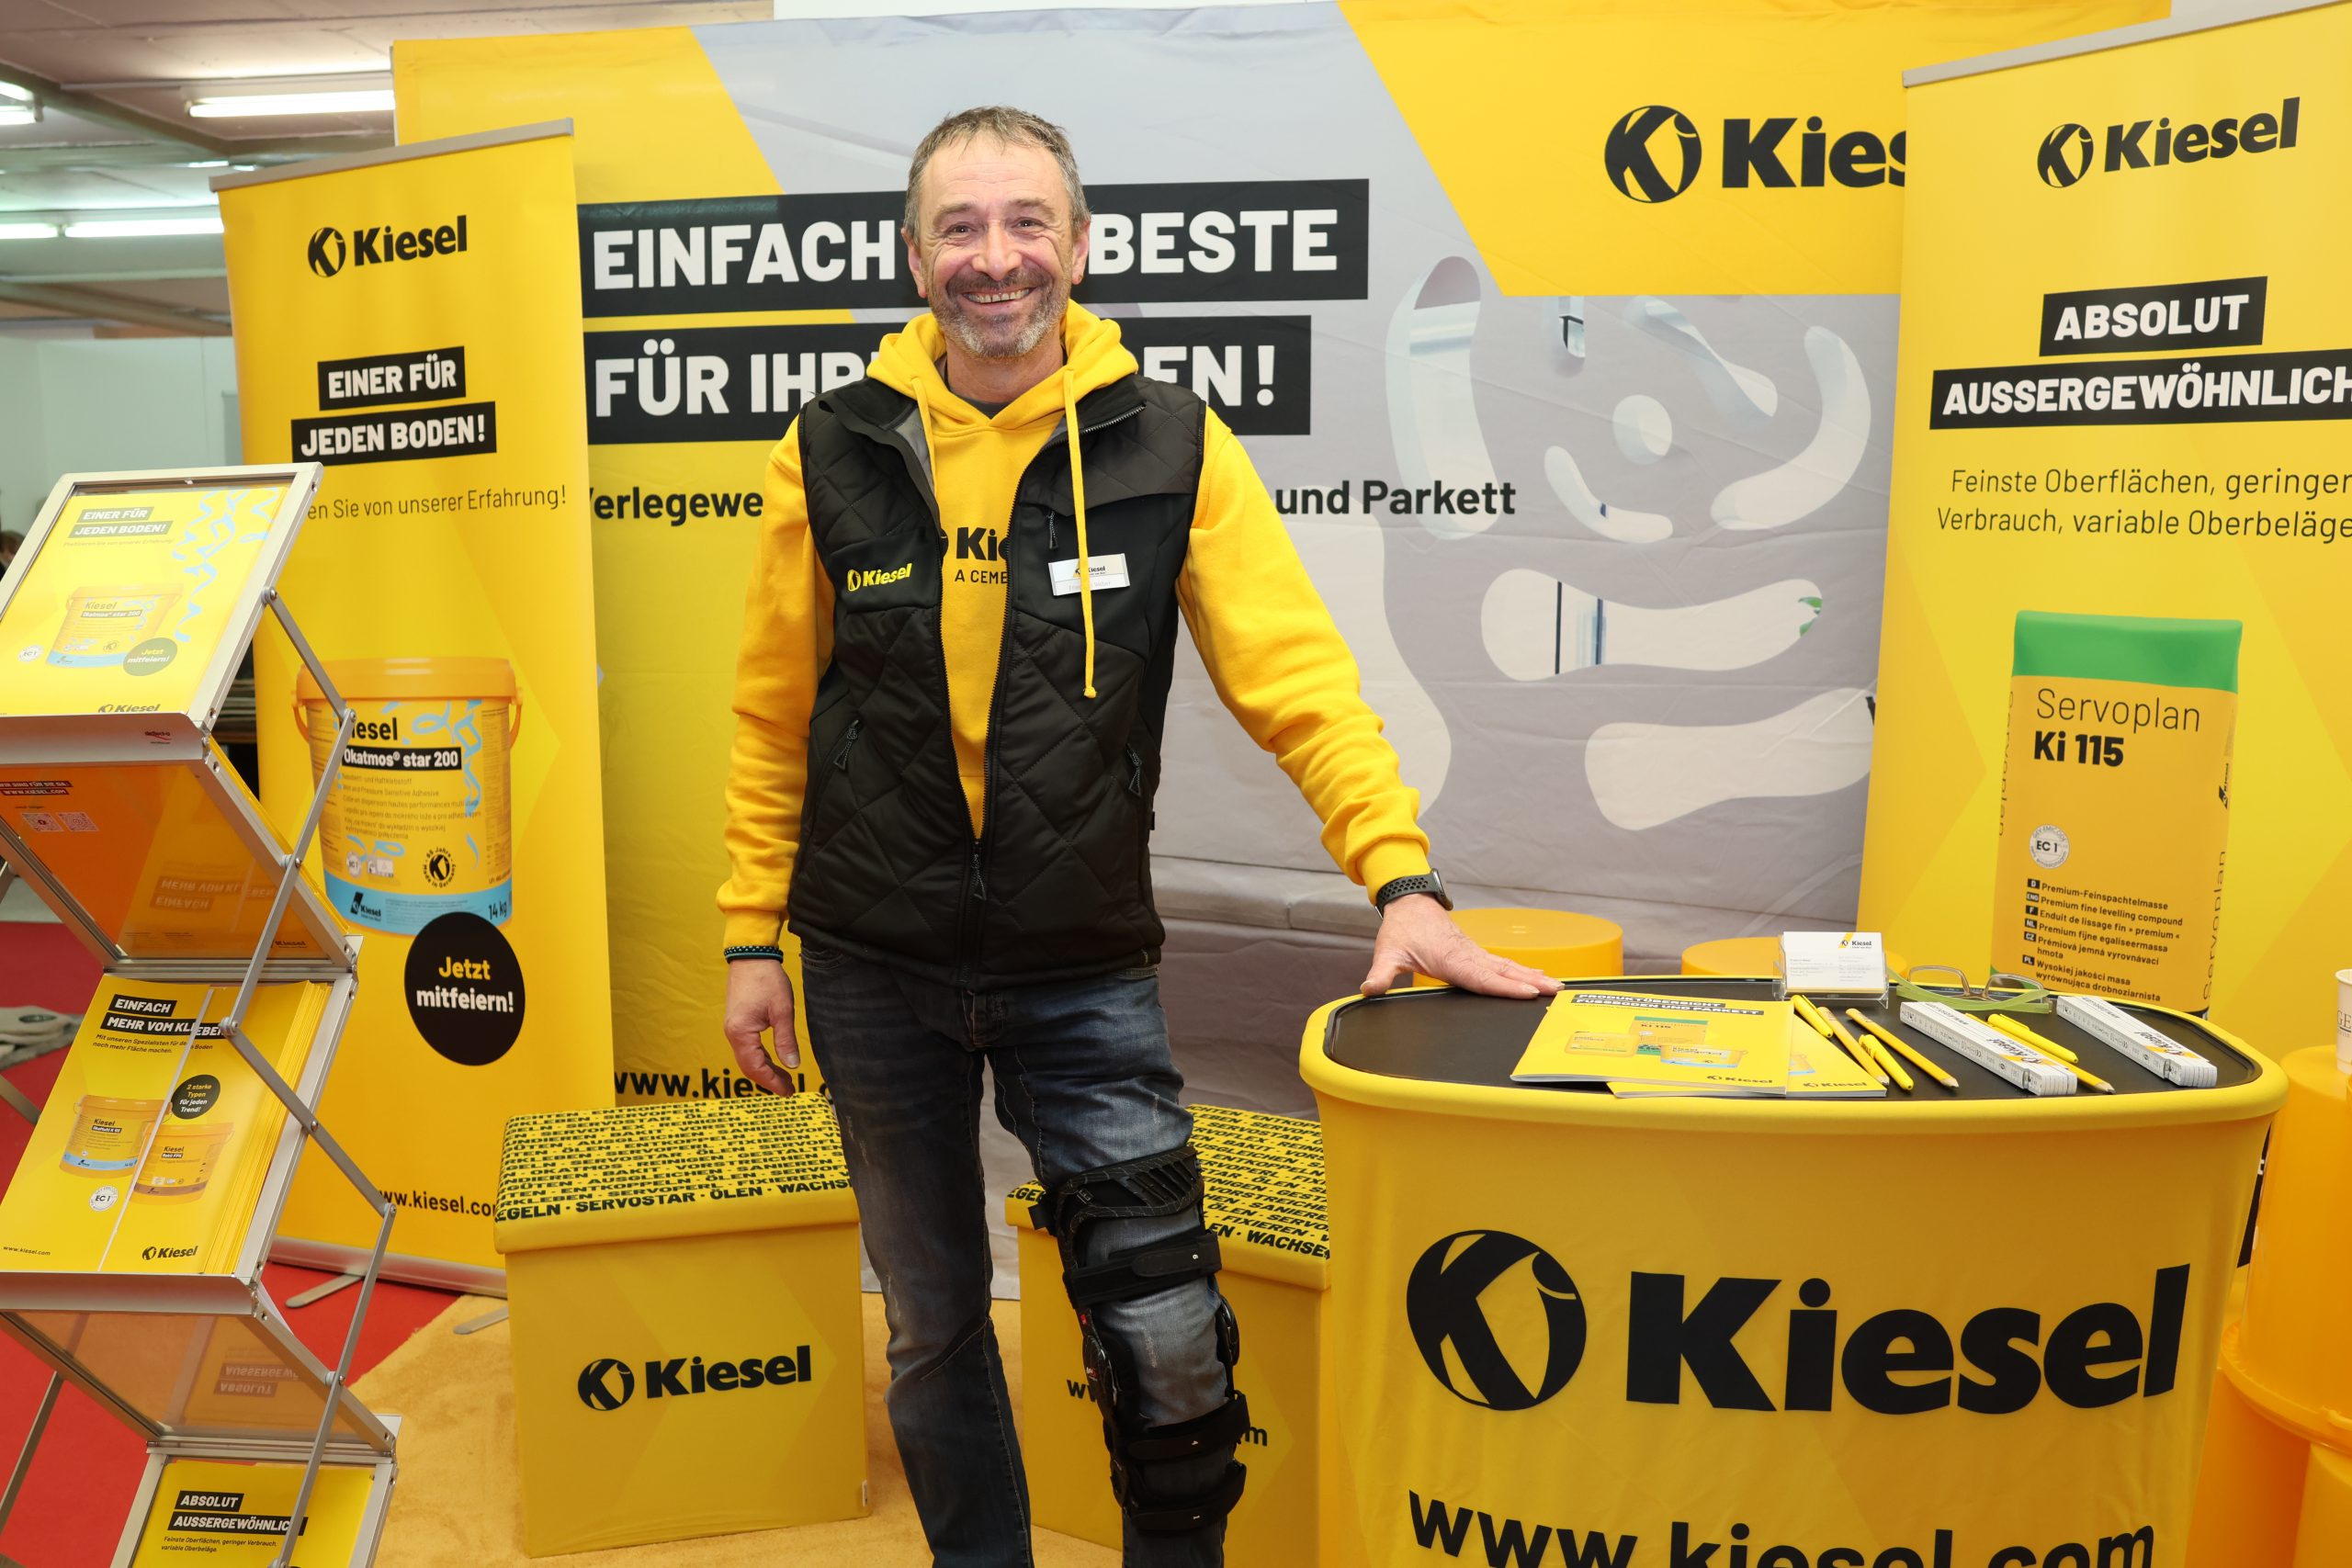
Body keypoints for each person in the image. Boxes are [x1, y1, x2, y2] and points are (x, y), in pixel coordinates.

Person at [718, 106, 1558, 1568]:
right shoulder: (832, 447)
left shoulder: (1169, 441)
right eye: (960, 228)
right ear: (914, 256)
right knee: (929, 1325)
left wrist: (1401, 877)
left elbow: (1300, 684)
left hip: (1080, 969)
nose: (995, 258)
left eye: (1025, 222)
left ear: (1082, 244)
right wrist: (748, 936)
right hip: (870, 964)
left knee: (1169, 1343)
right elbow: (773, 711)